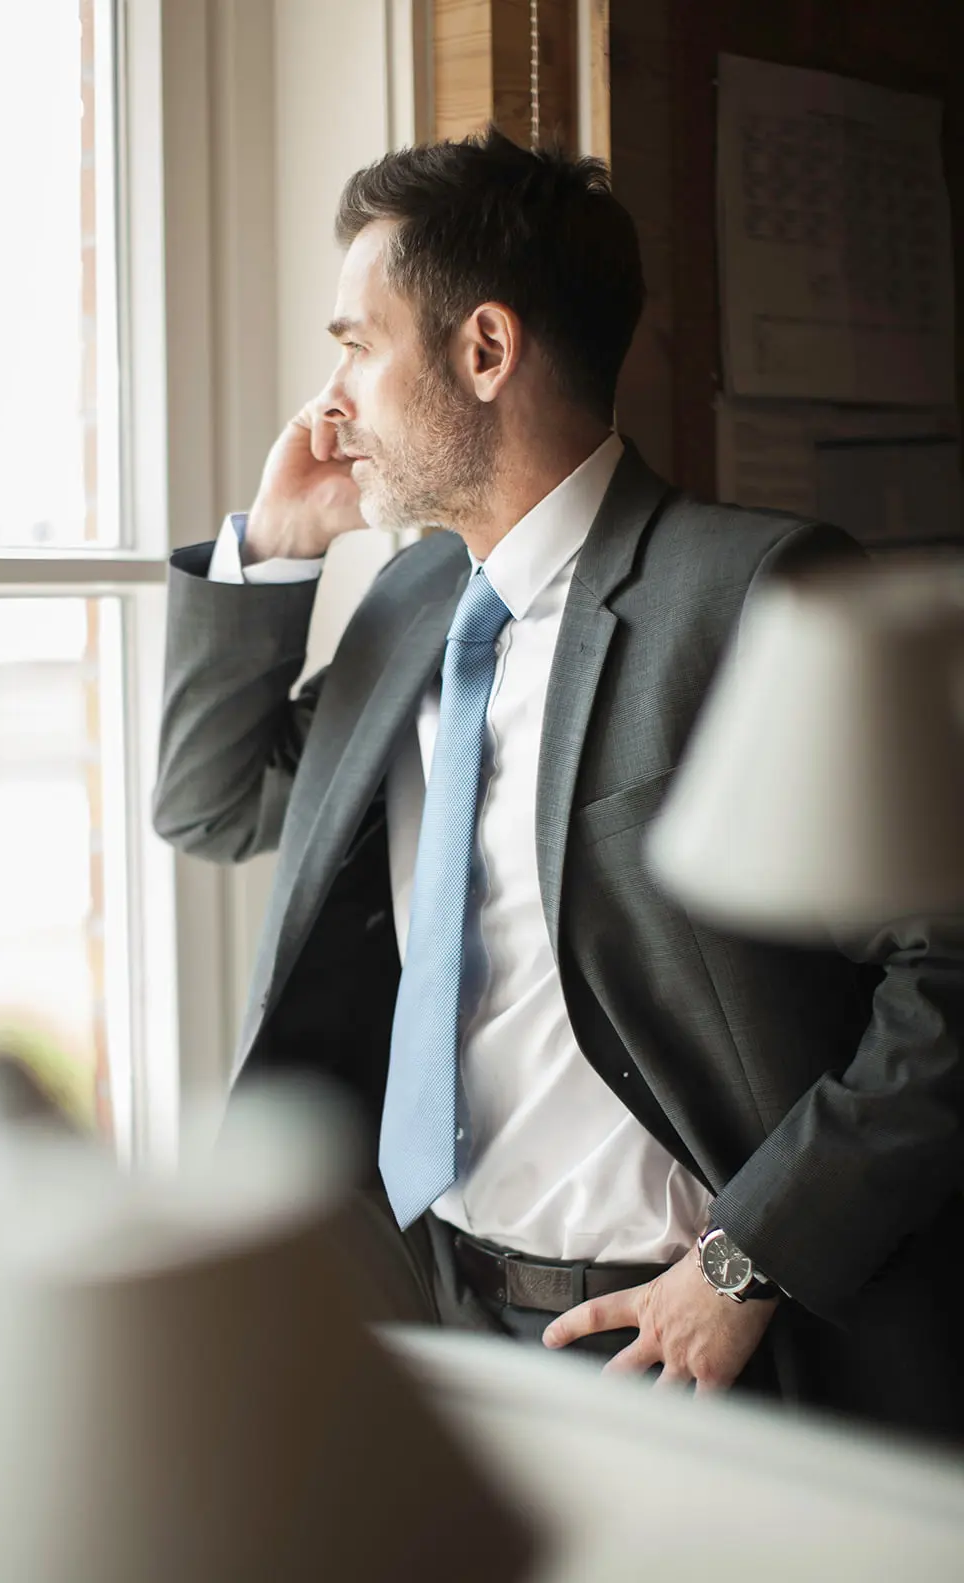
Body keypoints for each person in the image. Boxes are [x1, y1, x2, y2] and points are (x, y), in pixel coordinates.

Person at [152, 128, 964, 1441]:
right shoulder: (415, 600)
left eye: (358, 343)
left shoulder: (757, 590)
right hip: (435, 1319)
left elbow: (948, 974)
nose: (332, 397)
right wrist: (274, 548)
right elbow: (214, 802)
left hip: (696, 1346)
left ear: (484, 349)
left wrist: (746, 1260)